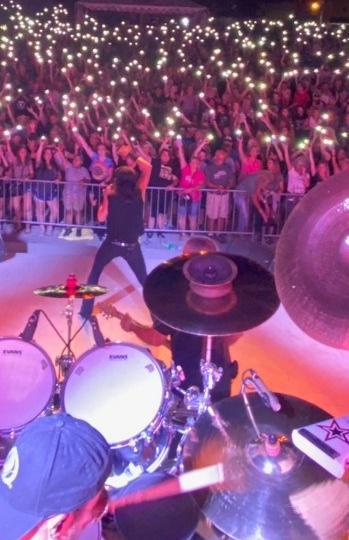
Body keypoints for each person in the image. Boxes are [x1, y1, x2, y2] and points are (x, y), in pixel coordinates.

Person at [105, 235, 239, 400]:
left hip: (187, 385)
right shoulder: (225, 296)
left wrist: (132, 327)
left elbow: (155, 339)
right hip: (220, 380)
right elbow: (235, 335)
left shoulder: (176, 297)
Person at [79, 167, 148, 321]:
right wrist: (133, 154)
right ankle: (159, 315)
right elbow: (147, 169)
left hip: (112, 244)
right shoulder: (139, 193)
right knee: (145, 280)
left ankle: (85, 311)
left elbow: (101, 217)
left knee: (94, 274)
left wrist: (104, 197)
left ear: (117, 180)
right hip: (132, 246)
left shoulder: (111, 195)